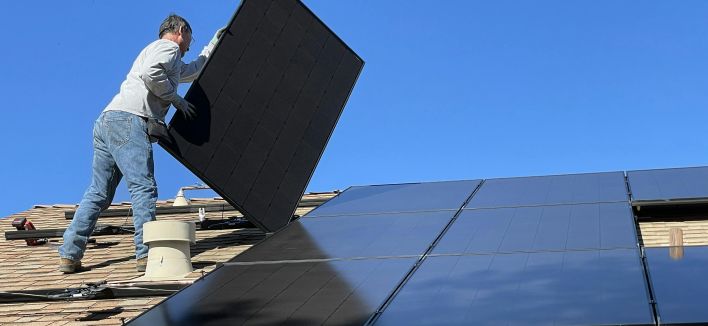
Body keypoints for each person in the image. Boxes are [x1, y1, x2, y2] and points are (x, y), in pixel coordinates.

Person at [58, 14, 224, 273]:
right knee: (143, 187)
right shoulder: (167, 48)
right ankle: (146, 255)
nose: (190, 43)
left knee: (98, 194)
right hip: (129, 120)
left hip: (108, 121)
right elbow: (151, 74)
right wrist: (176, 100)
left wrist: (213, 44)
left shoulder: (163, 55)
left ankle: (69, 253)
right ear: (181, 30)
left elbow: (191, 71)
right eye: (191, 37)